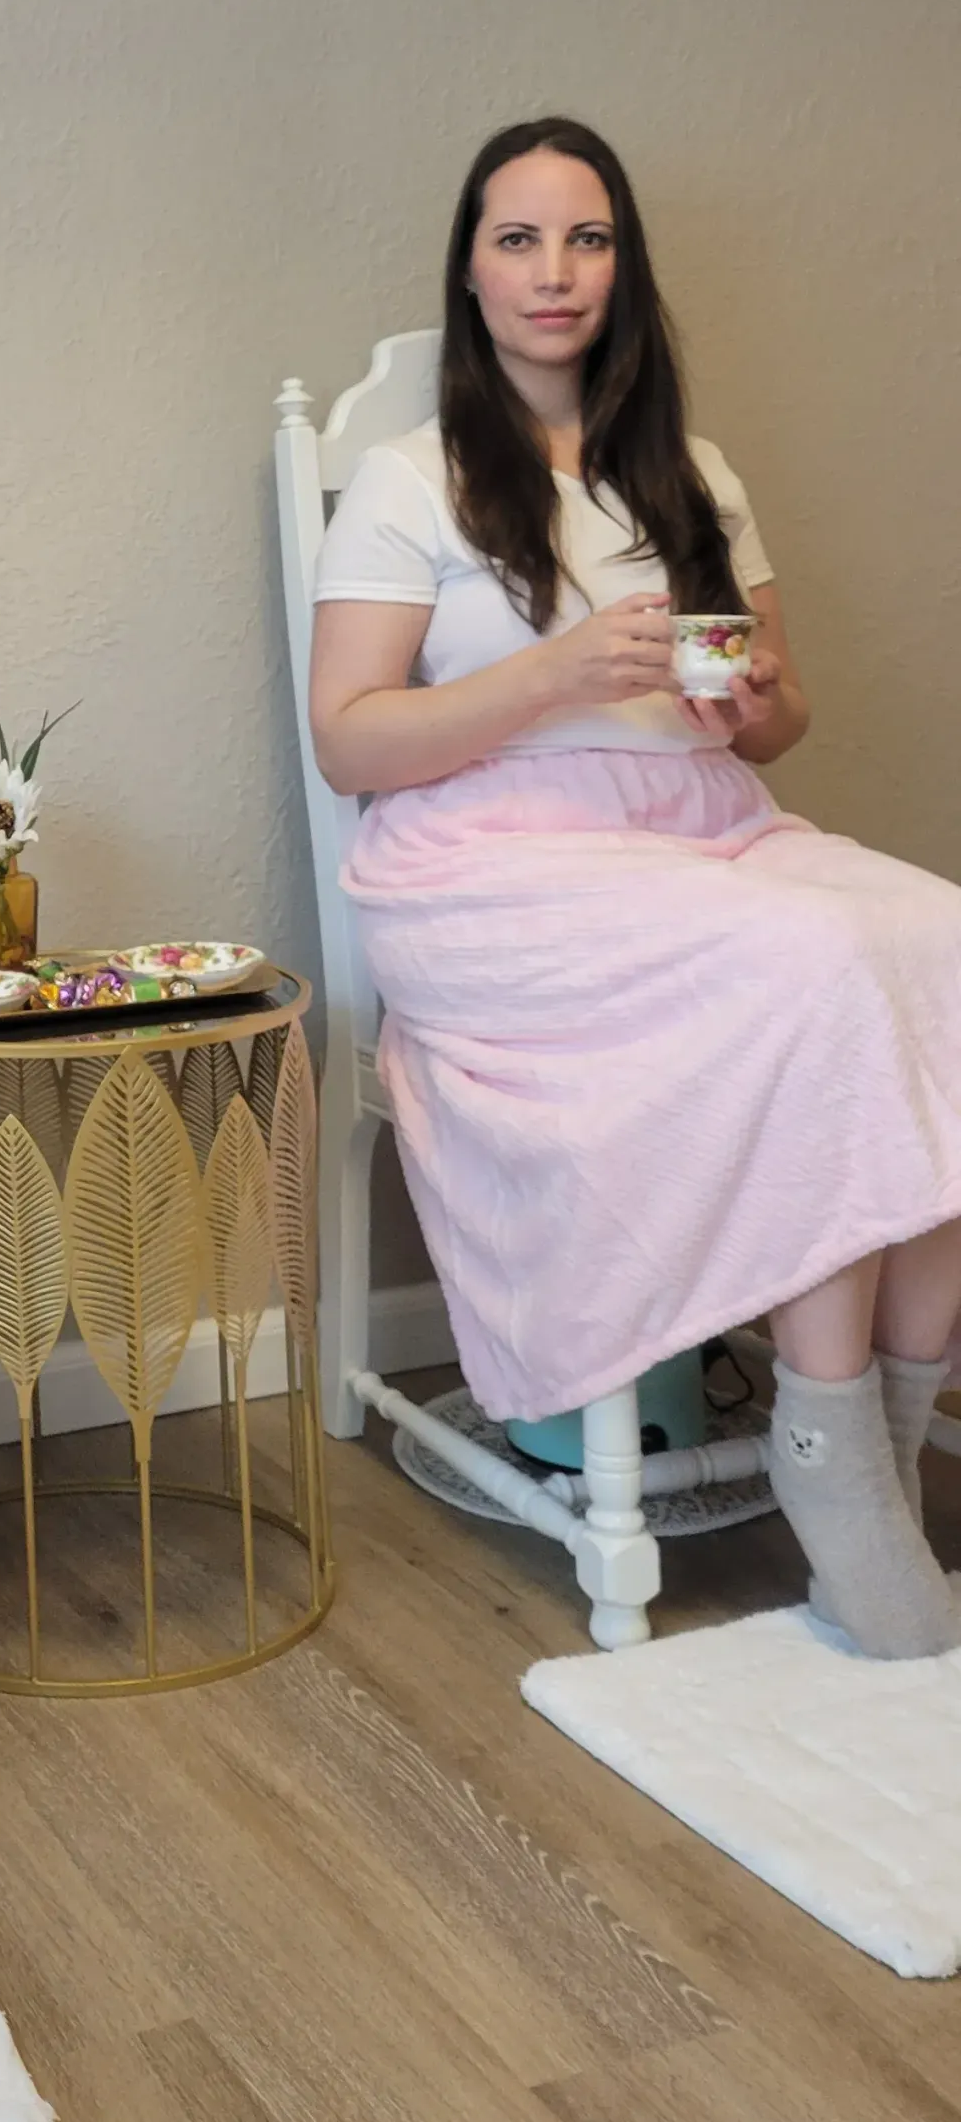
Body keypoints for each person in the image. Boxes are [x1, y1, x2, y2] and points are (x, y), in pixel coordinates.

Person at [309, 114, 961, 1661]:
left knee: (943, 944)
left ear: (624, 265)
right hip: (489, 867)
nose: (556, 272)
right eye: (519, 239)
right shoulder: (413, 483)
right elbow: (351, 738)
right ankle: (820, 1439)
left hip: (704, 823)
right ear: (471, 271)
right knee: (812, 970)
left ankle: (885, 1413)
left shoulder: (693, 471)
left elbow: (784, 709)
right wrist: (551, 675)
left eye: (587, 239)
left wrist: (747, 712)